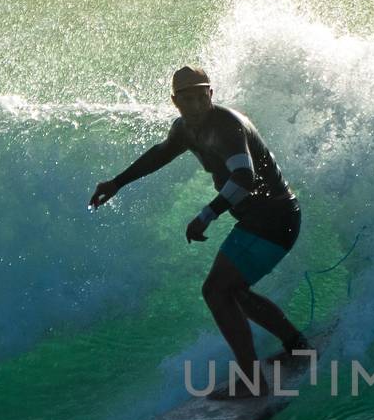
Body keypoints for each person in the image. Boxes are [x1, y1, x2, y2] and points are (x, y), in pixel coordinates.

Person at [90, 66, 310, 397]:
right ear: (174, 101)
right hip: (255, 221)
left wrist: (206, 215)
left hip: (275, 218)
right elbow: (160, 154)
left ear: (211, 94)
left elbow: (245, 178)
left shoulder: (226, 127)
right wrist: (117, 183)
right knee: (233, 290)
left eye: (200, 97)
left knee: (216, 291)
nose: (194, 105)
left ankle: (253, 382)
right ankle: (296, 345)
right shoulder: (185, 129)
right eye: (186, 99)